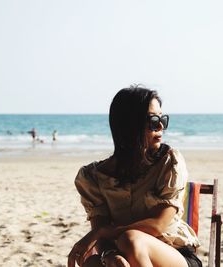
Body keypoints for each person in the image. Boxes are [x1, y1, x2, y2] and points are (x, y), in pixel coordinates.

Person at [68, 85, 201, 267]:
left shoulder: (168, 162)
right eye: (153, 120)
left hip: (174, 254)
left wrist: (103, 232)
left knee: (130, 239)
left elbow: (157, 225)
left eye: (162, 119)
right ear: (129, 124)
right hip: (126, 253)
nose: (161, 126)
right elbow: (100, 232)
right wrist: (109, 254)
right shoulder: (94, 177)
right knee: (93, 263)